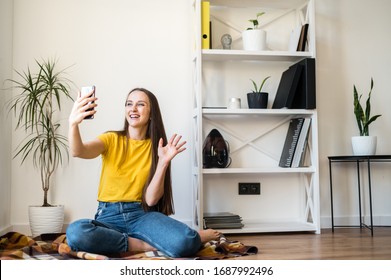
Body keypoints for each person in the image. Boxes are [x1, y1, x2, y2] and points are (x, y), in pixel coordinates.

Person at [66, 87, 220, 258]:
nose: (133, 109)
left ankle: (188, 236)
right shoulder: (111, 139)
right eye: (129, 104)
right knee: (76, 232)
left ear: (151, 112)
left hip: (141, 215)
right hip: (108, 216)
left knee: (185, 242)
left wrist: (163, 162)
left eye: (140, 104)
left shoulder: (159, 148)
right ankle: (141, 244)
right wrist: (73, 124)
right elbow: (78, 151)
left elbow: (151, 199)